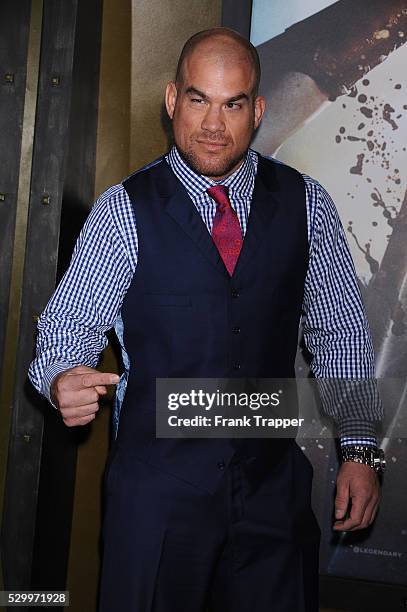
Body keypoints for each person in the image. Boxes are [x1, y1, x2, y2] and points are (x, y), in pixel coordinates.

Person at [29, 28, 384, 612]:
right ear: (172, 101)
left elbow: (340, 332)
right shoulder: (124, 209)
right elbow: (70, 326)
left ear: (258, 110)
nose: (214, 124)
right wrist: (62, 374)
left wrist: (361, 451)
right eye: (198, 100)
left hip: (272, 500)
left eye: (233, 104)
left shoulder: (306, 202)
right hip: (158, 503)